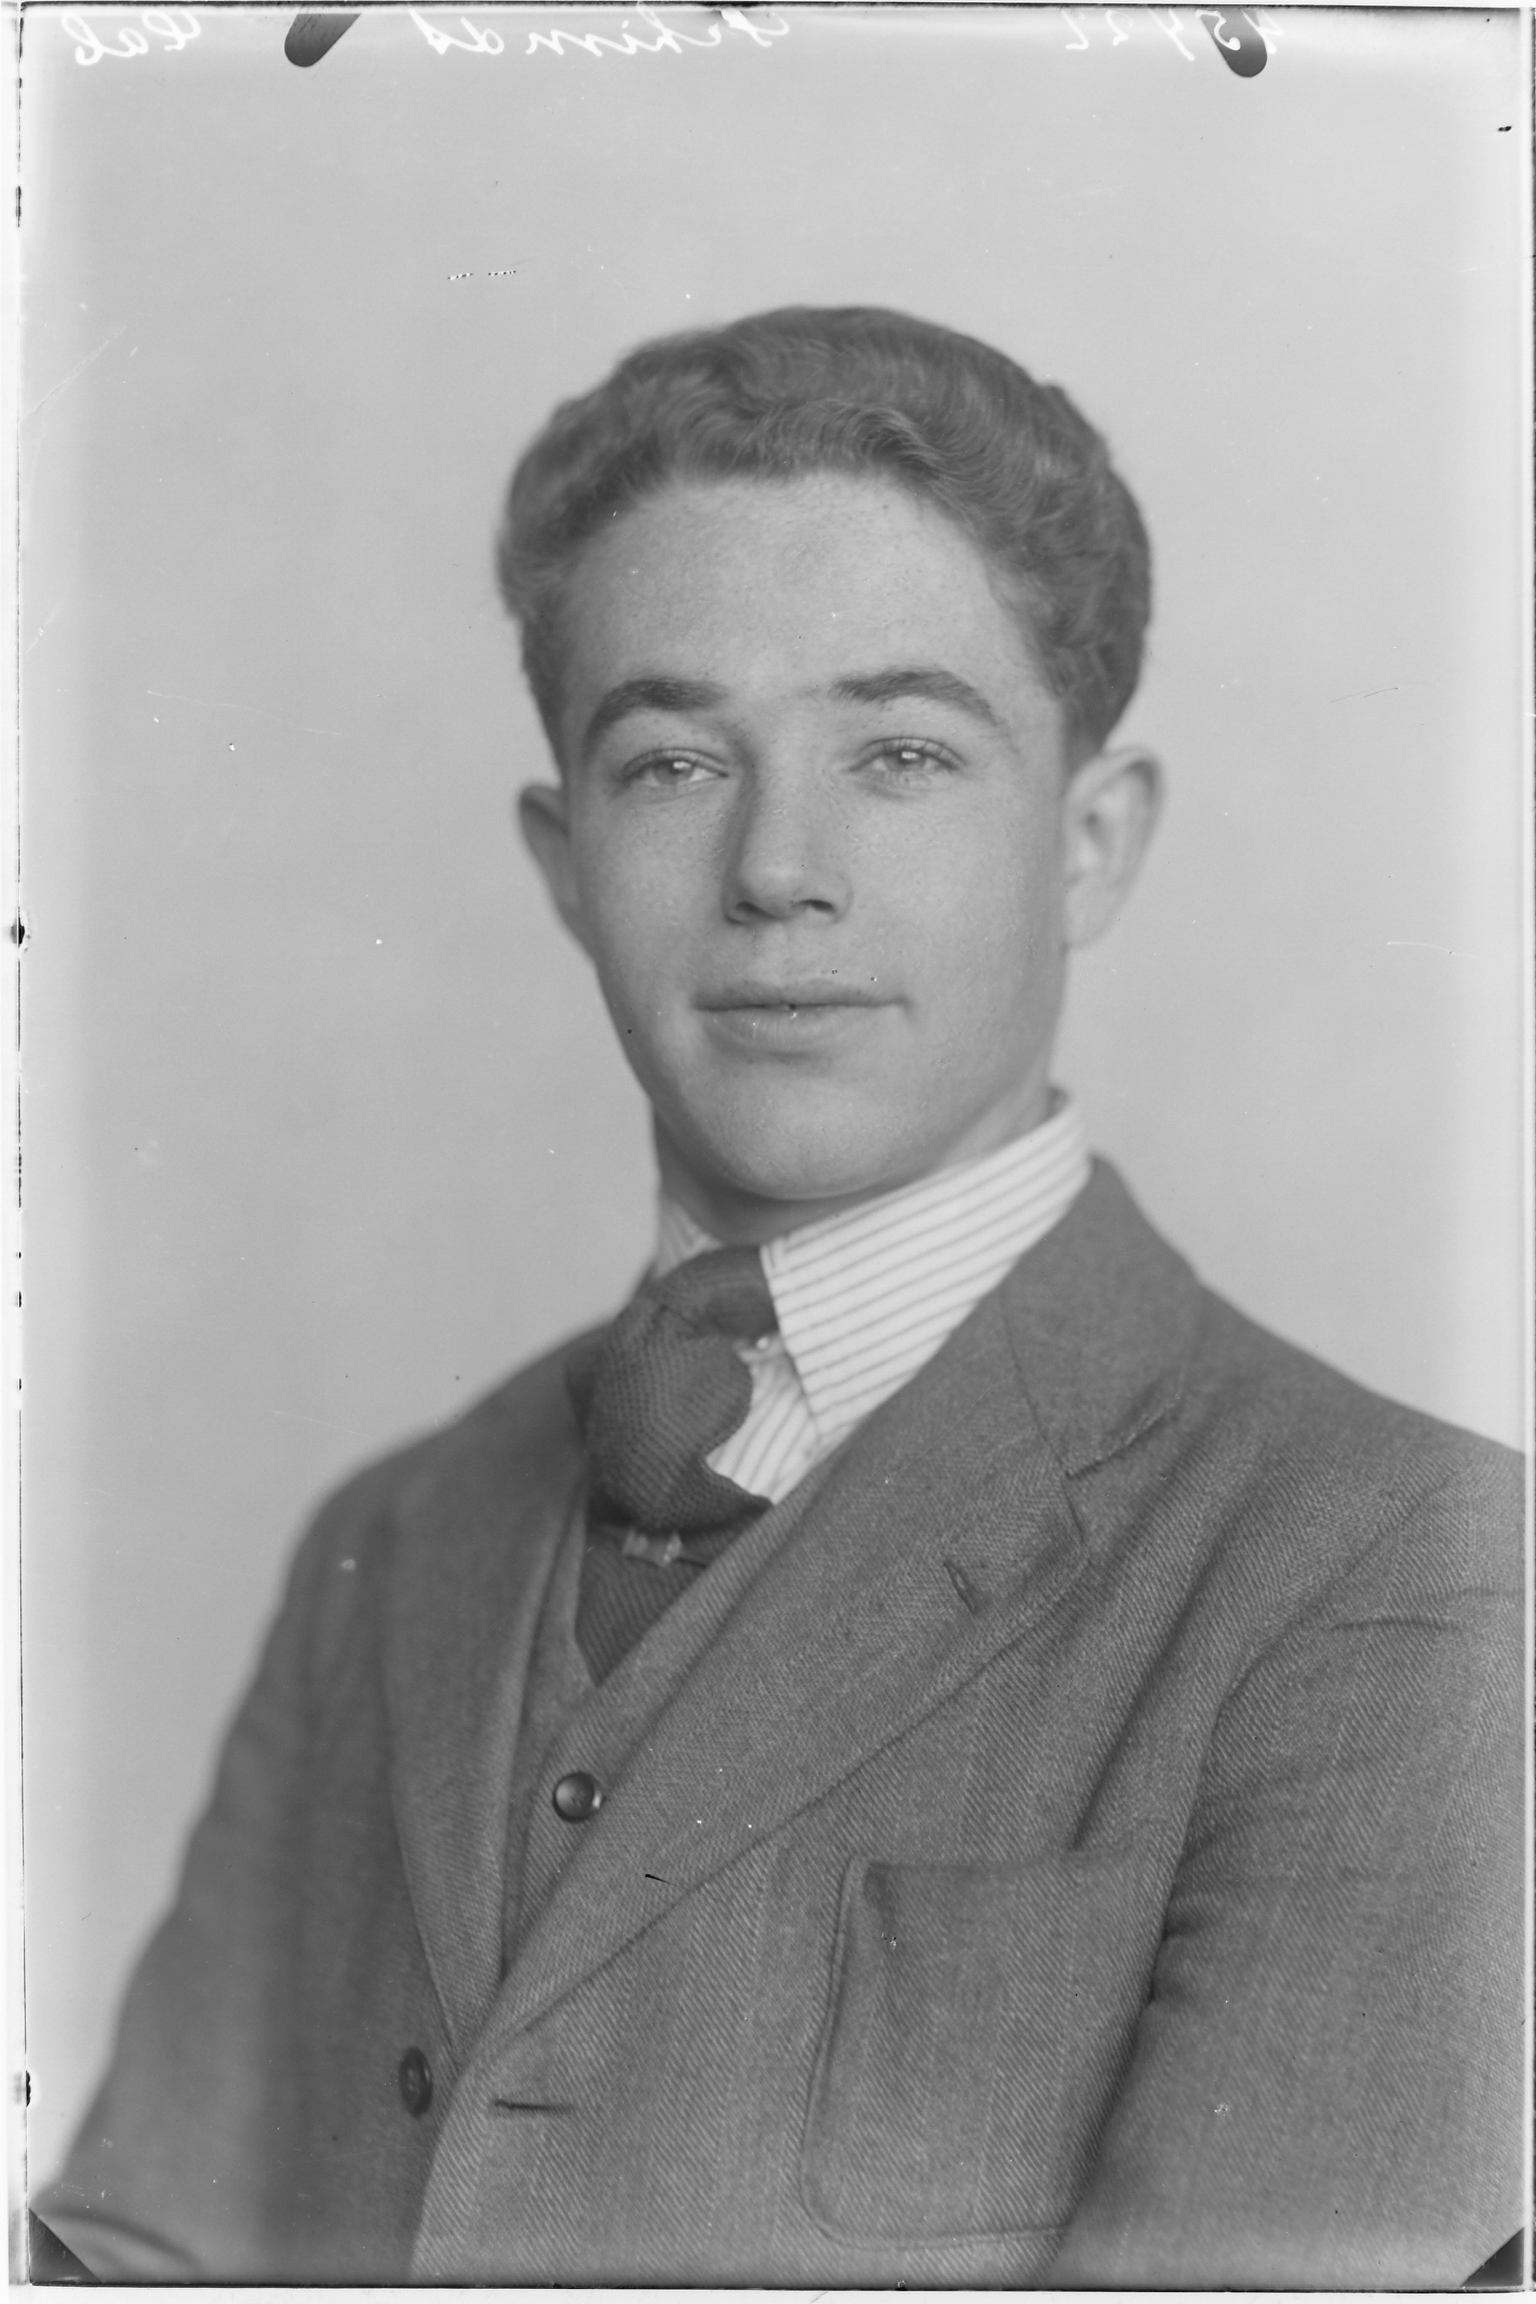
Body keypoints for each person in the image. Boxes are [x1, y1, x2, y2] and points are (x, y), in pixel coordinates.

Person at [35, 307, 1523, 2287]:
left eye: (900, 753)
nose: (777, 870)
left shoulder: (1411, 1579)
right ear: (565, 862)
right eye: (673, 763)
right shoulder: (396, 1539)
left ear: (1091, 843)